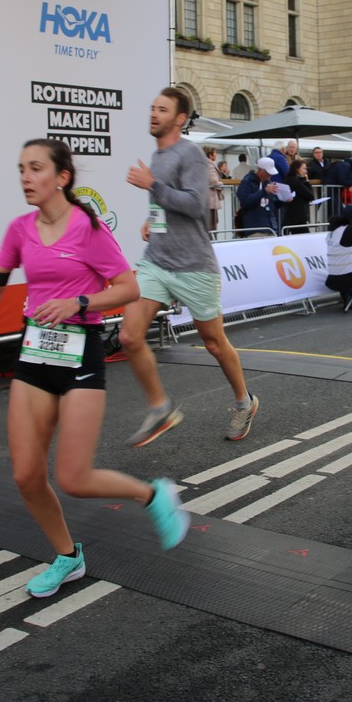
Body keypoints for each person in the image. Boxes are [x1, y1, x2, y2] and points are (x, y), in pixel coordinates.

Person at [0, 139, 189, 598]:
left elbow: (128, 288)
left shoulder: (87, 228)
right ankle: (67, 556)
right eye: (21, 168)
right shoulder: (19, 230)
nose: (25, 177)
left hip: (79, 354)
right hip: (34, 355)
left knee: (74, 478)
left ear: (62, 177)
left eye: (35, 168)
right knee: (26, 475)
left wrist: (78, 302)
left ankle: (153, 495)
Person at [121, 88, 257, 447]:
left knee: (214, 342)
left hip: (194, 264)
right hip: (157, 260)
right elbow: (168, 202)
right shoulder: (158, 154)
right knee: (129, 336)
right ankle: (160, 408)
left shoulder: (191, 154)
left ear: (180, 118)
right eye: (152, 108)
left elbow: (197, 205)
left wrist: (152, 185)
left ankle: (244, 401)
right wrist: (153, 220)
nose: (154, 113)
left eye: (162, 109)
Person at [236, 156, 280, 235]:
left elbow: (274, 205)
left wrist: (284, 200)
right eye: (268, 173)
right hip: (255, 228)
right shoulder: (247, 182)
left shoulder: (268, 183)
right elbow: (245, 201)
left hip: (270, 227)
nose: (270, 175)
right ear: (260, 170)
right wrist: (264, 191)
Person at [282, 158, 315, 233]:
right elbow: (310, 195)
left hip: (294, 215)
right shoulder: (295, 181)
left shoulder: (291, 179)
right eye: (304, 169)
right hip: (297, 216)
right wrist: (307, 181)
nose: (306, 171)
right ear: (297, 169)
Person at [203, 145, 225, 233]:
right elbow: (213, 181)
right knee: (211, 225)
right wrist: (221, 185)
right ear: (210, 155)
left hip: (207, 200)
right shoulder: (209, 165)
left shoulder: (204, 164)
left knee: (211, 224)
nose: (216, 154)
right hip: (210, 200)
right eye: (215, 153)